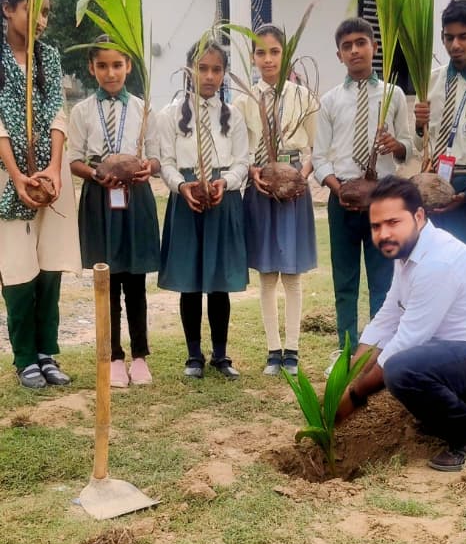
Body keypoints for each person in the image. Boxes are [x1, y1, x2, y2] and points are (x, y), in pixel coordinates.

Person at [337, 176, 466, 472]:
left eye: (393, 222)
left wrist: (354, 394)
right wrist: (346, 376)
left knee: (401, 368)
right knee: (406, 364)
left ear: (418, 216)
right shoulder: (407, 253)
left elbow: (405, 341)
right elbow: (387, 317)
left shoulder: (437, 261)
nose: (384, 234)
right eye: (376, 226)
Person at [313, 17, 412, 365]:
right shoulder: (329, 101)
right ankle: (345, 351)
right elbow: (320, 156)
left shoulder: (392, 95)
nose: (354, 50)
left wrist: (395, 145)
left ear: (374, 47)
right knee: (345, 280)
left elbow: (408, 149)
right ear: (339, 55)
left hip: (381, 203)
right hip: (341, 201)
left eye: (361, 43)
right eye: (347, 46)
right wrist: (339, 188)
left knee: (383, 282)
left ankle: (378, 352)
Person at [0, 0, 81, 390]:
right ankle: (24, 357)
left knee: (50, 265)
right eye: (34, 9)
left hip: (51, 172)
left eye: (47, 11)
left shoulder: (48, 57)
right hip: (7, 174)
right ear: (8, 9)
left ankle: (47, 353)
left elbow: (56, 112)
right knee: (18, 268)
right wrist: (17, 176)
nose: (42, 20)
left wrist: (51, 169)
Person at [68, 38, 161, 388]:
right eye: (103, 66)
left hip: (134, 196)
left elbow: (155, 155)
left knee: (135, 281)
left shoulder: (142, 108)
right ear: (92, 68)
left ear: (128, 67)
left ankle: (139, 356)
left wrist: (146, 168)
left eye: (117, 65)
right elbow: (75, 158)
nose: (110, 72)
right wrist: (96, 174)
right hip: (100, 198)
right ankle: (114, 357)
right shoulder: (82, 111)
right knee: (107, 281)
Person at [158, 38, 249, 380]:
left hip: (222, 199)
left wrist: (226, 182)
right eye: (202, 68)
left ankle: (221, 355)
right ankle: (193, 355)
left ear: (224, 73)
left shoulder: (234, 116)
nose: (209, 76)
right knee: (191, 280)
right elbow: (165, 163)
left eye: (216, 69)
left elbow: (242, 161)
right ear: (189, 70)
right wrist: (181, 186)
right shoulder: (170, 115)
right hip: (187, 200)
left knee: (219, 280)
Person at [235, 25, 317, 376]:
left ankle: (293, 350)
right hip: (261, 189)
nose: (268, 60)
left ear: (286, 55)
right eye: (261, 53)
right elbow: (240, 150)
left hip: (294, 187)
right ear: (253, 57)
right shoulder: (243, 100)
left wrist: (302, 175)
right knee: (267, 274)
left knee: (292, 275)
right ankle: (273, 351)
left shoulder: (305, 98)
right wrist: (253, 171)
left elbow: (316, 147)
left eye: (274, 52)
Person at [413, 0, 466, 248]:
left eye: (464, 36)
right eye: (449, 37)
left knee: (461, 259)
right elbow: (419, 144)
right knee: (426, 257)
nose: (455, 44)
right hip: (431, 180)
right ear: (442, 37)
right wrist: (418, 125)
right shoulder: (429, 82)